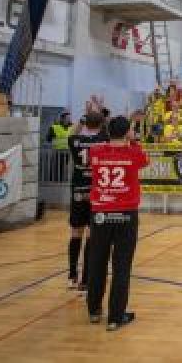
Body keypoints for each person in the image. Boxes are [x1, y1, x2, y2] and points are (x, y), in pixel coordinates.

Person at [86, 116, 150, 331]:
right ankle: (115, 316)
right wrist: (132, 140)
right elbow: (145, 160)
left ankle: (94, 311)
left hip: (100, 214)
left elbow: (93, 155)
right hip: (126, 214)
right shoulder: (134, 153)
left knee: (97, 263)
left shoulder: (95, 151)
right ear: (127, 133)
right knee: (122, 266)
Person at [67, 109, 109, 291]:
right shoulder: (104, 141)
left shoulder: (75, 140)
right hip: (96, 192)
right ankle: (85, 280)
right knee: (92, 235)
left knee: (76, 233)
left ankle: (72, 275)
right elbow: (107, 130)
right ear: (100, 124)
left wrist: (83, 117)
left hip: (78, 191)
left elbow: (72, 132)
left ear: (85, 123)